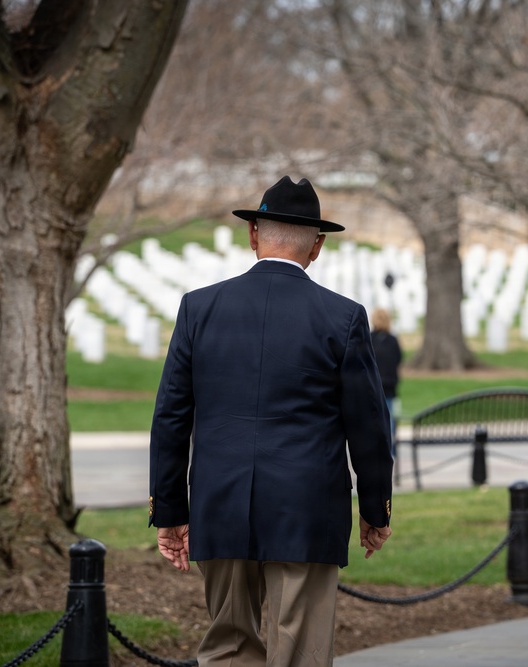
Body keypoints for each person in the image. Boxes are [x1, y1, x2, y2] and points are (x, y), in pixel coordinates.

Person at [148, 175, 394, 667]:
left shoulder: (199, 308)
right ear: (317, 246)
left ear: (254, 235)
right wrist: (375, 508)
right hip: (307, 507)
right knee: (300, 652)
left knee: (227, 648)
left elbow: (172, 416)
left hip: (221, 501)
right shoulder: (342, 316)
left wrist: (172, 511)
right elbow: (368, 425)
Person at [369, 308, 402, 448]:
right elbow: (398, 359)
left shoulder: (368, 339)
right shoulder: (392, 340)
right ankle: (390, 448)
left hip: (372, 385)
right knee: (390, 417)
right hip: (390, 385)